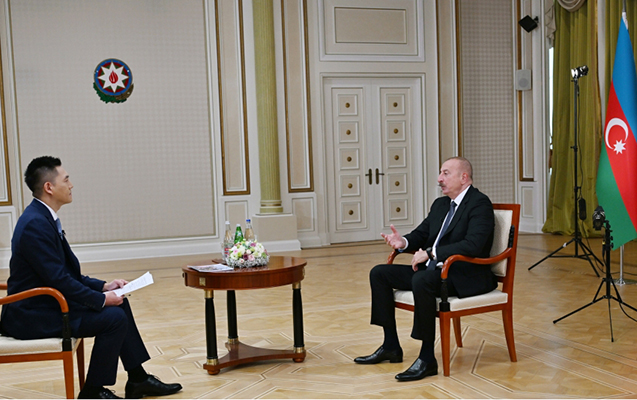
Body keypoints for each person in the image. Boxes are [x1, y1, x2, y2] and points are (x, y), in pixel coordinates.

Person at [0, 156, 182, 399]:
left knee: (120, 304)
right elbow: (59, 280)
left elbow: (67, 275)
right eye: (66, 179)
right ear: (49, 187)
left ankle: (137, 379)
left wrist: (105, 287)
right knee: (113, 319)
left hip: (46, 303)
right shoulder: (35, 224)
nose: (71, 185)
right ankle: (92, 392)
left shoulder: (42, 217)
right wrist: (102, 299)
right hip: (32, 315)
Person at [354, 157, 496, 382]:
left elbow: (473, 245)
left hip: (464, 274)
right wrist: (403, 242)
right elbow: (422, 233)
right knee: (379, 273)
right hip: (436, 272)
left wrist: (431, 254)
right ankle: (390, 346)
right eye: (440, 173)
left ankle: (427, 358)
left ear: (464, 177)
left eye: (446, 173)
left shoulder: (480, 203)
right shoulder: (441, 204)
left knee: (422, 280)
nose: (439, 179)